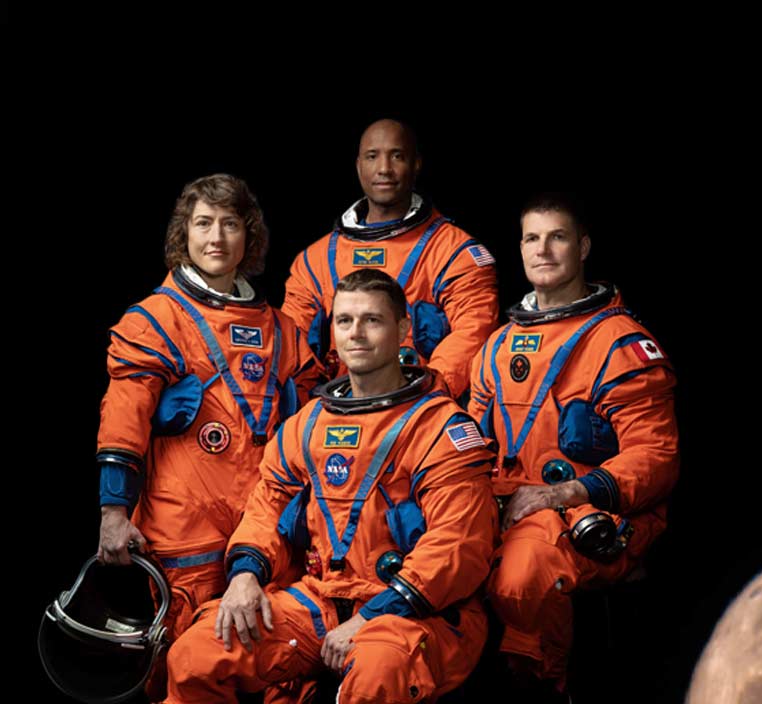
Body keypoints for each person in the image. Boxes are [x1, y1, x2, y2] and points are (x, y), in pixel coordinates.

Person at [165, 269, 497, 703]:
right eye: (344, 321)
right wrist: (245, 575)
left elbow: (459, 545)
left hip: (415, 609)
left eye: (372, 320)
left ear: (402, 329)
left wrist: (373, 615)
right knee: (196, 654)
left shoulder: (440, 427)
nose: (355, 333)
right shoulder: (306, 426)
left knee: (378, 671)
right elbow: (267, 508)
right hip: (320, 600)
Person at [96, 173, 321, 694]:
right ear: (185, 234)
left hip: (268, 529)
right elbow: (123, 419)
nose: (216, 237)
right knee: (185, 667)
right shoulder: (156, 320)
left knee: (273, 662)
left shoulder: (282, 331)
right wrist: (113, 512)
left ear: (249, 235)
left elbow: (314, 428)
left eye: (229, 224)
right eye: (203, 224)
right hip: (187, 533)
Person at [469, 193, 679, 692]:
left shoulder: (620, 344)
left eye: (557, 237)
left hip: (591, 512)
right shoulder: (497, 345)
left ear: (582, 247)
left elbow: (656, 458)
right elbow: (472, 449)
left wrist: (564, 493)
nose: (542, 250)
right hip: (510, 506)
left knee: (524, 574)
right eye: (532, 238)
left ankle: (544, 687)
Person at [282, 118, 499, 399]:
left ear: (416, 164)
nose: (384, 168)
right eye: (372, 156)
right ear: (359, 165)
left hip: (418, 407)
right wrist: (311, 404)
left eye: (396, 156)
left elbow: (473, 332)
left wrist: (421, 397)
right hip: (335, 409)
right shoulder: (315, 261)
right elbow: (291, 344)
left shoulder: (454, 252)